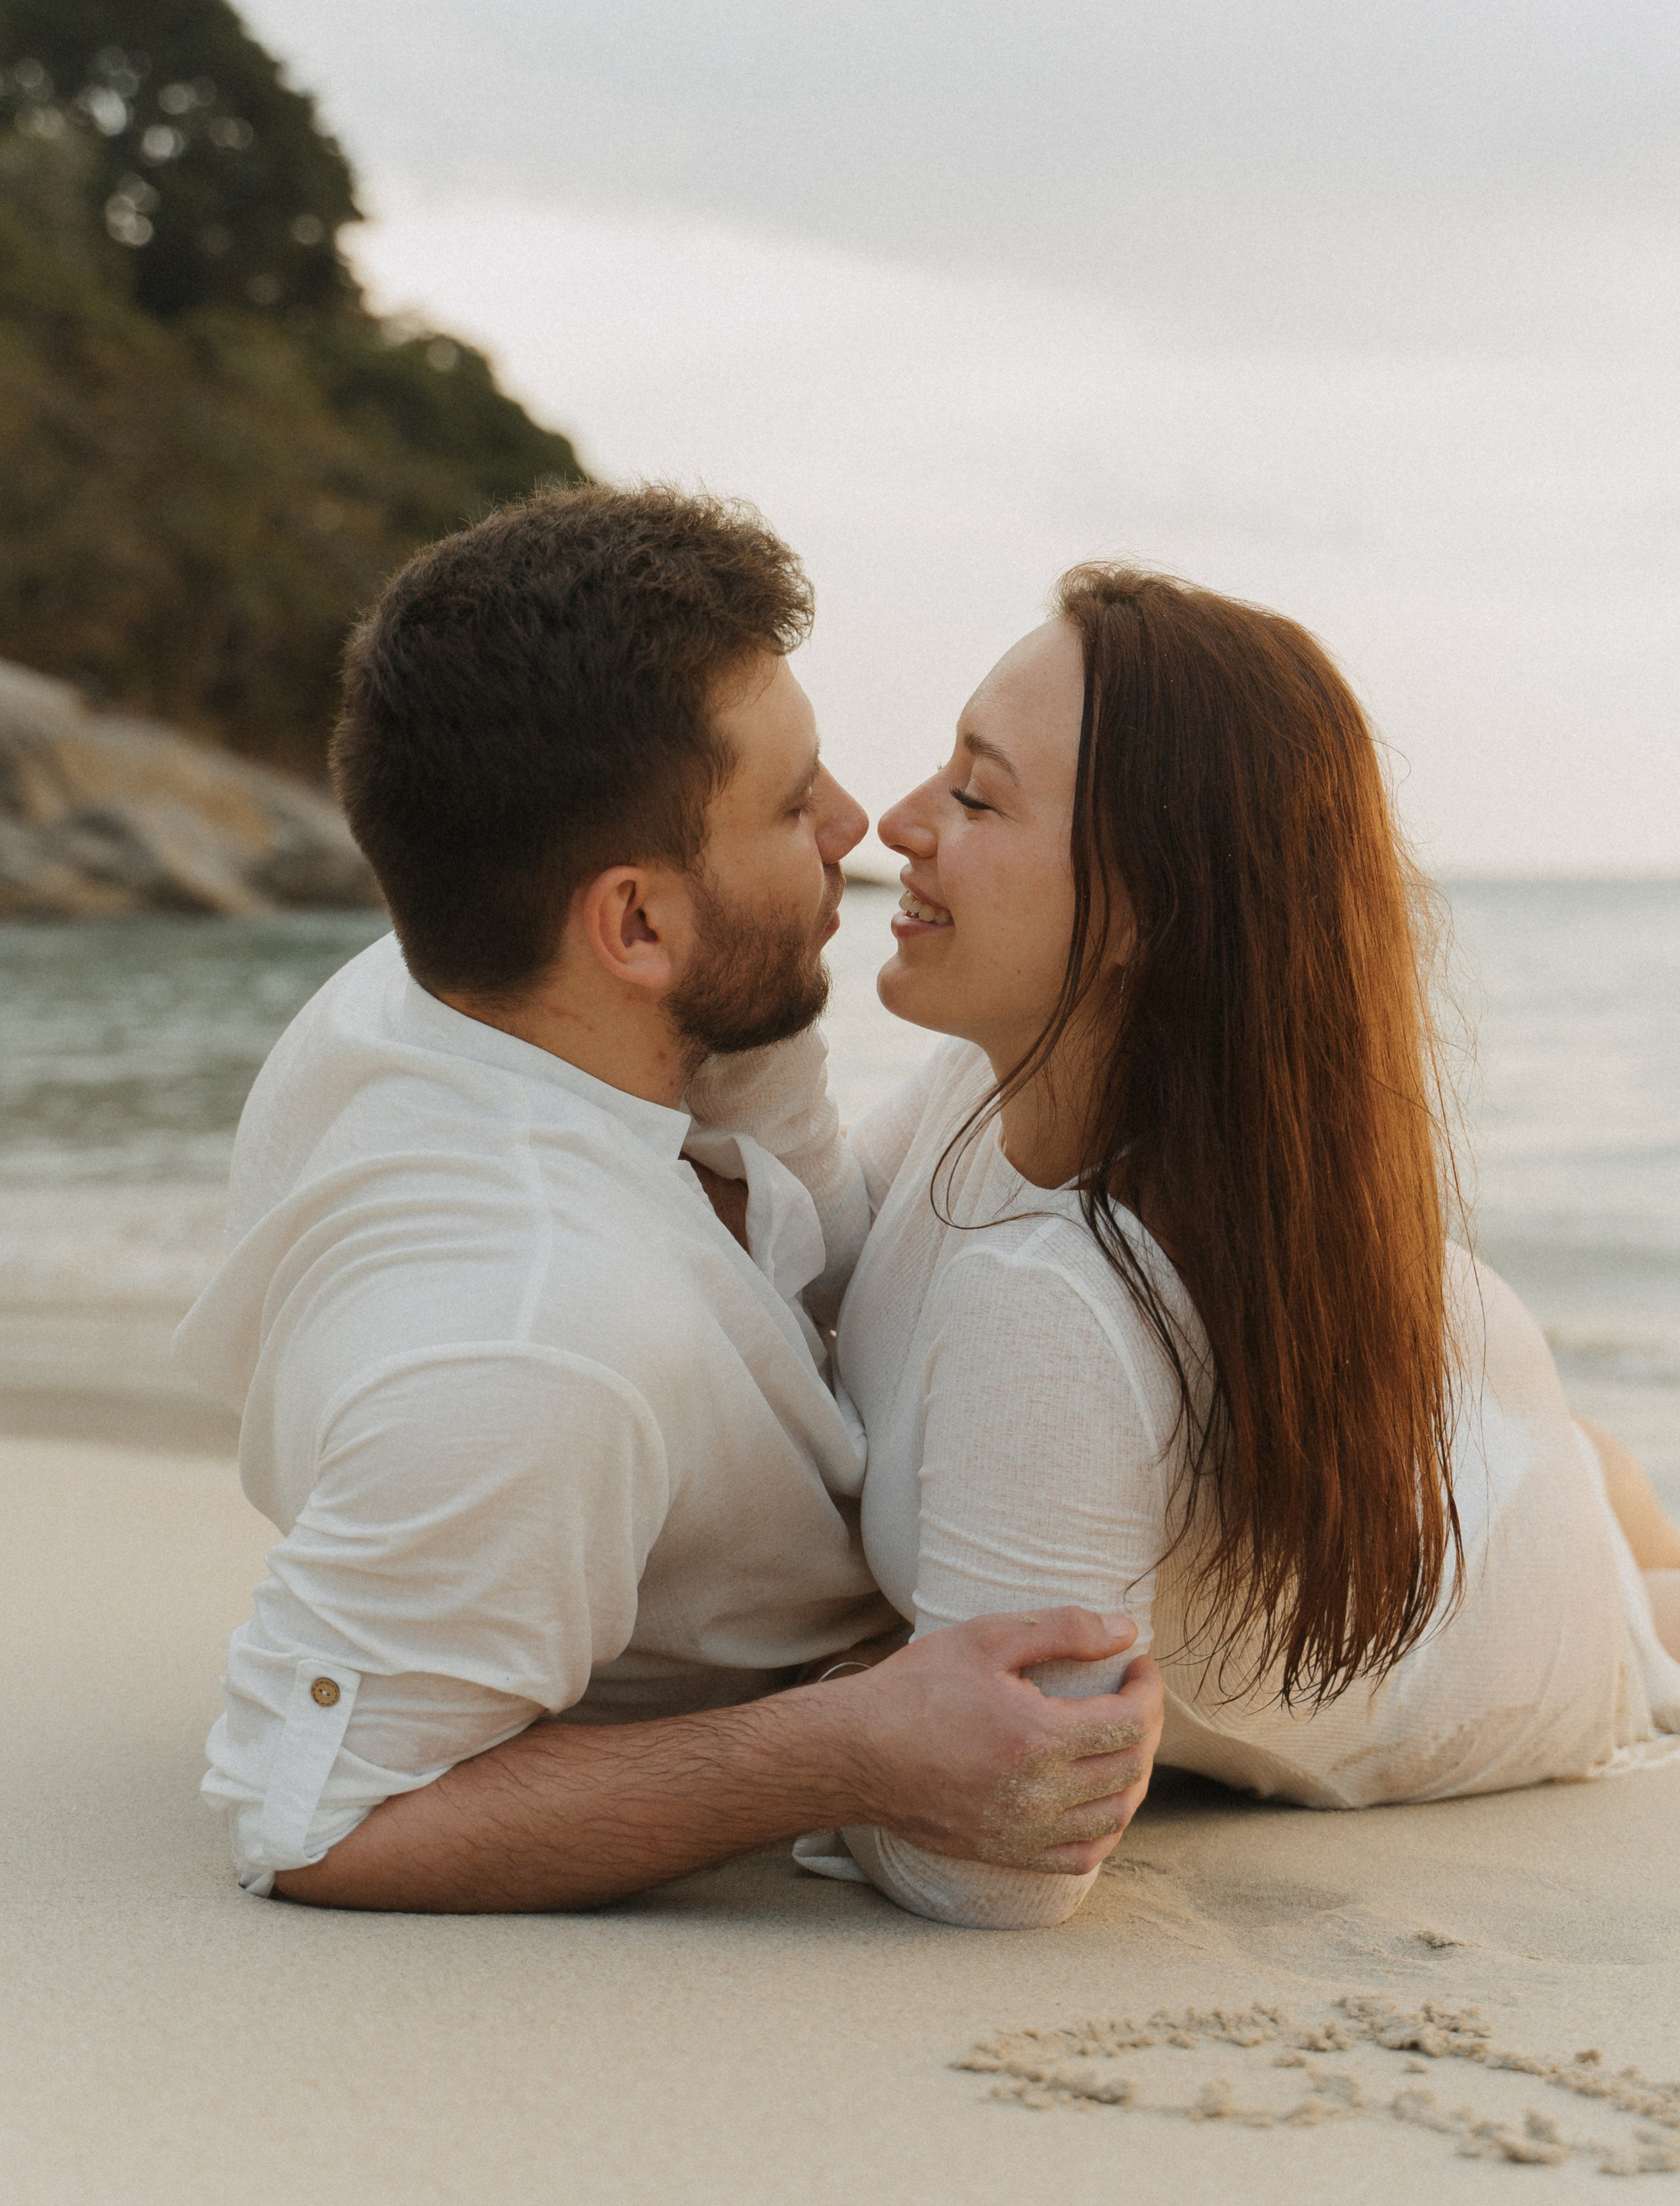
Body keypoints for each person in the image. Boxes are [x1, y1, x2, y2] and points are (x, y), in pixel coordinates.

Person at [175, 488, 1164, 1913]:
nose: (854, 826)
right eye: (788, 803)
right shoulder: (529, 1343)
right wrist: (844, 1750)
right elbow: (323, 1824)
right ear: (632, 922)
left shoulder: (559, 984)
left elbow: (822, 1252)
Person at [797, 565, 1680, 1929]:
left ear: (1143, 914)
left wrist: (817, 1723)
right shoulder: (982, 1096)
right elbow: (791, 1288)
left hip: (1515, 1613)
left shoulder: (1053, 1316)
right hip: (1467, 1446)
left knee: (1648, 1595)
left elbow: (991, 1866)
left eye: (976, 797)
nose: (897, 823)